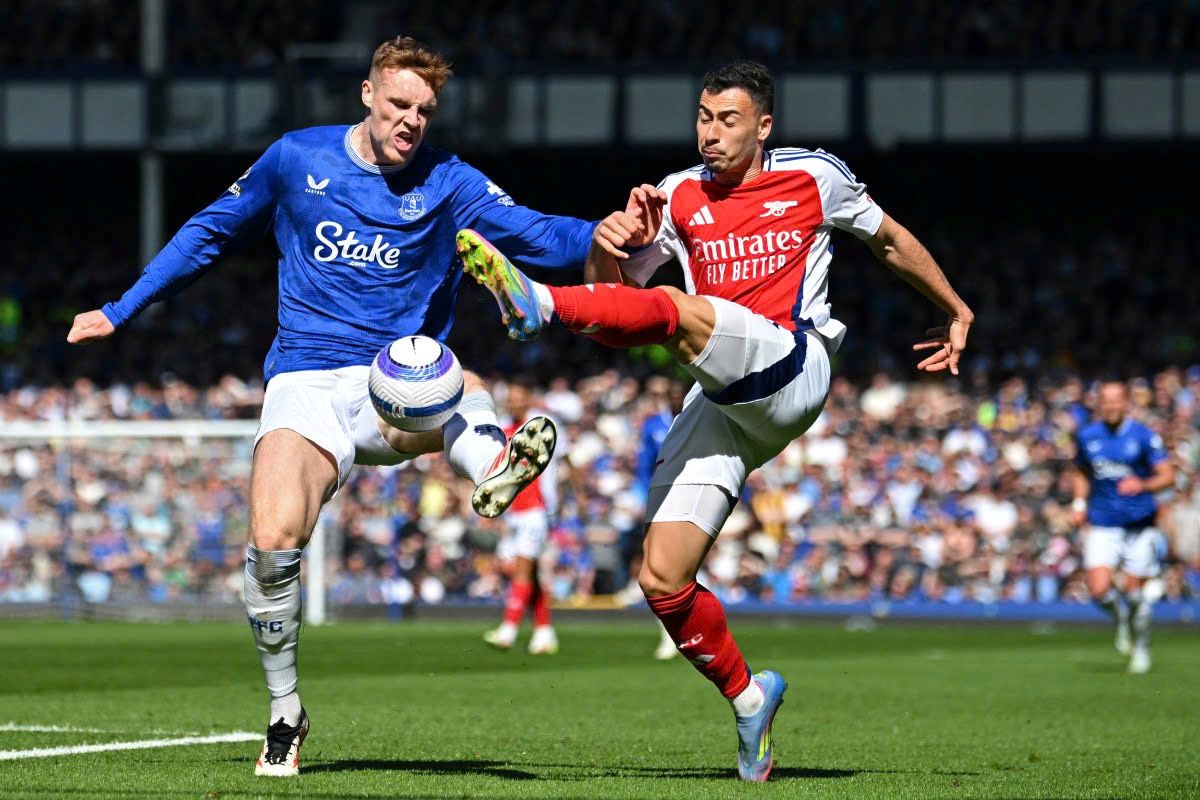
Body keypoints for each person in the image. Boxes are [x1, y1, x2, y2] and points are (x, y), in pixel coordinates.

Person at [65, 37, 597, 777]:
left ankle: (495, 466)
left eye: (425, 110)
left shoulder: (449, 180)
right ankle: (285, 710)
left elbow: (542, 234)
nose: (411, 120)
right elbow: (210, 231)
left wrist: (612, 236)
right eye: (400, 104)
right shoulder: (296, 158)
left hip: (397, 381)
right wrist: (123, 309)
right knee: (272, 542)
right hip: (307, 379)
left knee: (450, 382)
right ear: (367, 95)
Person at [455, 59, 973, 782]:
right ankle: (750, 698)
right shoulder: (675, 195)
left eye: (727, 120)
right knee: (662, 576)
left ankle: (533, 303)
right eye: (703, 118)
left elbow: (886, 239)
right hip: (720, 398)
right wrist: (611, 243)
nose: (710, 133)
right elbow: (614, 305)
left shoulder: (813, 176)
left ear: (763, 126)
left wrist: (955, 308)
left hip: (794, 365)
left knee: (679, 310)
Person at [1070, 380, 1174, 674]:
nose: (1111, 405)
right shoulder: (1087, 435)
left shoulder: (1143, 436)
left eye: (1117, 400)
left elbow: (1168, 476)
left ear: (1126, 402)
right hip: (1103, 521)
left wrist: (1143, 483)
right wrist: (1078, 503)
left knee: (1134, 592)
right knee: (1099, 590)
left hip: (1139, 524)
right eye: (1106, 400)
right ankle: (1121, 619)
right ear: (1099, 403)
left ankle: (1141, 649)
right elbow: (1080, 470)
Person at [483, 374, 570, 654]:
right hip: (514, 512)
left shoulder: (544, 428)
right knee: (521, 572)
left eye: (519, 397)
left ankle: (507, 631)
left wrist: (569, 497)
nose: (514, 402)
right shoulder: (505, 430)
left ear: (529, 398)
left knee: (522, 568)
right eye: (511, 397)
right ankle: (544, 632)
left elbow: (566, 462)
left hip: (537, 510)